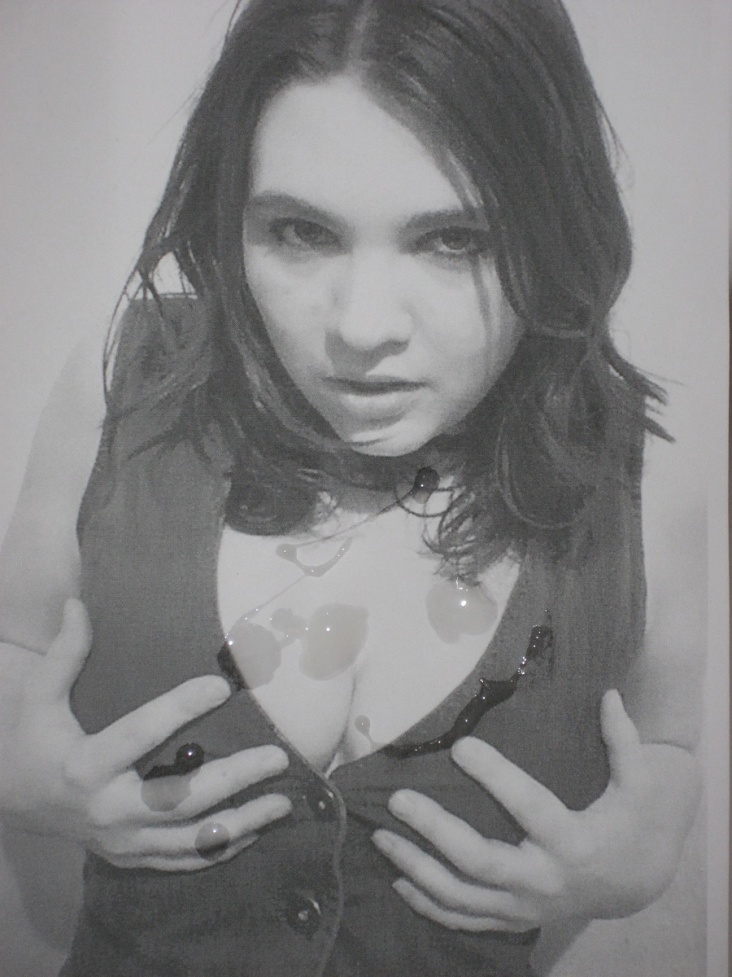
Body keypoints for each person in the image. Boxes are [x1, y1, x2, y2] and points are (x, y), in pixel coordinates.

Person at [0, 0, 703, 975]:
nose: (361, 326)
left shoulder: (640, 472)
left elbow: (667, 739)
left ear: (555, 229)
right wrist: (20, 774)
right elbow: (18, 643)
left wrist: (642, 857)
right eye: (300, 230)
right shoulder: (126, 386)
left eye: (455, 239)